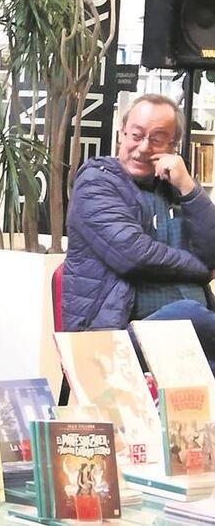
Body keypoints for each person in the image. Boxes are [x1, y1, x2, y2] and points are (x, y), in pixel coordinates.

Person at [64, 93, 215, 373]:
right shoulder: (97, 181)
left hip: (192, 344)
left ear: (173, 146)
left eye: (157, 139)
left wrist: (188, 188)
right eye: (136, 135)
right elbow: (133, 255)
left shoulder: (174, 184)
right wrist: (202, 271)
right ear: (122, 133)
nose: (143, 147)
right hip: (115, 335)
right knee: (189, 315)